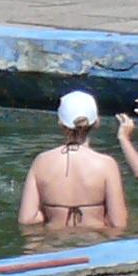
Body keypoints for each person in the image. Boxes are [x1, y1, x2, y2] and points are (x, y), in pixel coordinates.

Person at [20, 91, 129, 232]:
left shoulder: (41, 162)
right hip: (94, 240)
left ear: (60, 122)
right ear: (96, 122)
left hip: (52, 242)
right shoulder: (106, 165)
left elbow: (27, 219)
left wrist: (52, 215)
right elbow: (118, 223)